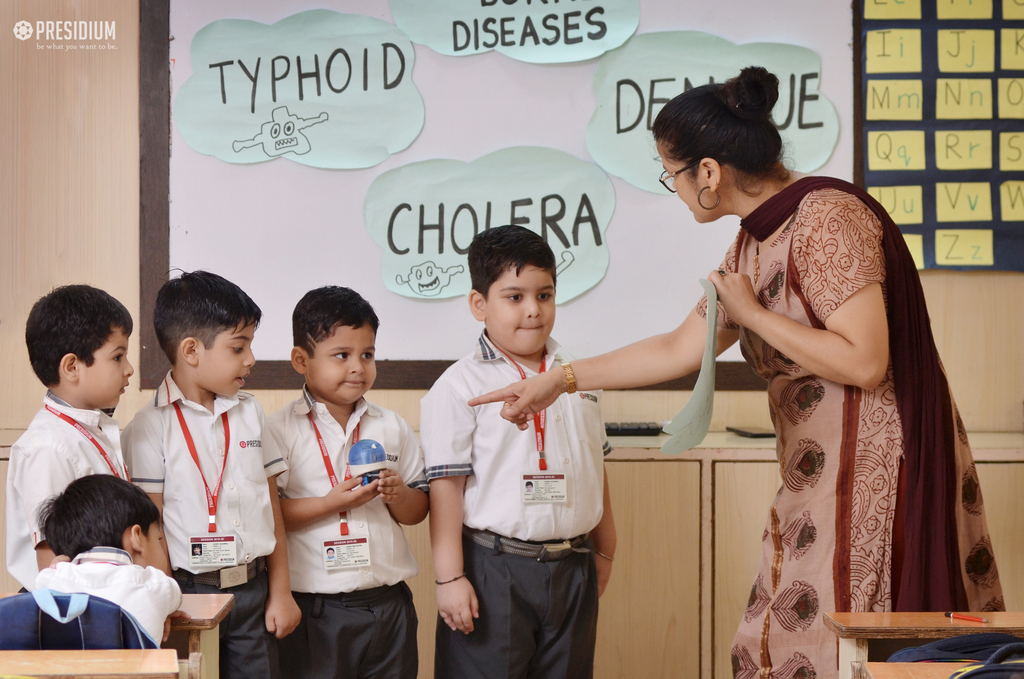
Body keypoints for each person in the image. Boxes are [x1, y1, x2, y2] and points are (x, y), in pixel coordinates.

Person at [471, 68, 1003, 677]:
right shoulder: (751, 243)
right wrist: (559, 380)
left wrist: (751, 312)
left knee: (838, 646)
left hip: (873, 469)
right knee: (770, 643)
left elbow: (865, 359)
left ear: (708, 172)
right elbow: (678, 347)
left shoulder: (826, 216)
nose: (671, 186)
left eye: (670, 172)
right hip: (816, 470)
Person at [422, 225, 617, 679]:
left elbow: (595, 464)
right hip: (495, 570)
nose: (533, 310)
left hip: (574, 566)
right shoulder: (458, 387)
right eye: (514, 297)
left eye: (544, 295)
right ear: (479, 304)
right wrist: (449, 578)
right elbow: (445, 488)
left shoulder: (578, 376)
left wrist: (606, 550)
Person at [122, 270, 300, 679]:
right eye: (239, 348)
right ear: (191, 350)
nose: (250, 359)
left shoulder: (251, 411)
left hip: (254, 593)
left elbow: (271, 503)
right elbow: (151, 528)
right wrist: (164, 604)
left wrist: (281, 590)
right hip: (188, 594)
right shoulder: (150, 427)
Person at [266, 286, 428, 679]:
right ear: (301, 360)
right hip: (315, 609)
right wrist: (328, 502)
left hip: (389, 605)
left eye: (367, 355)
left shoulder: (392, 426)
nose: (358, 367)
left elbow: (418, 510)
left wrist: (399, 494)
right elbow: (269, 518)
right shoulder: (277, 429)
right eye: (342, 355)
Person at [6, 285, 134, 590]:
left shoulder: (93, 428)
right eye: (118, 357)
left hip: (108, 598)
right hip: (76, 612)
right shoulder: (47, 448)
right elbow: (52, 561)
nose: (129, 369)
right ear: (72, 367)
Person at [35, 474, 184, 645]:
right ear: (136, 538)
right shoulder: (157, 586)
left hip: (67, 671)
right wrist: (162, 609)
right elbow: (176, 597)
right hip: (136, 672)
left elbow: (48, 578)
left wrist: (59, 565)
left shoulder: (49, 581)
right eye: (158, 539)